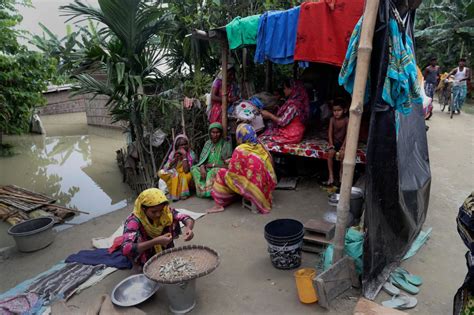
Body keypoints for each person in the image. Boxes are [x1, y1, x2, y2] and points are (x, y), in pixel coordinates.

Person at [110, 188, 194, 267]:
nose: (158, 214)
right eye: (153, 212)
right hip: (146, 251)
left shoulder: (166, 211)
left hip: (165, 245)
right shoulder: (133, 221)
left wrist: (188, 228)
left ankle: (164, 253)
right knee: (150, 265)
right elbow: (126, 248)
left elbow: (186, 218)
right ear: (143, 209)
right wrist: (155, 242)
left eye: (160, 210)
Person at [207, 124, 277, 214]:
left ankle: (219, 205)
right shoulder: (260, 146)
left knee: (221, 173)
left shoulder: (240, 149)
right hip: (265, 183)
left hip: (252, 185)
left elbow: (233, 170)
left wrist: (226, 163)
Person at [260, 79, 309, 144]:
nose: (284, 90)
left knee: (261, 139)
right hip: (296, 132)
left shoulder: (293, 105)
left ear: (292, 89)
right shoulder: (300, 102)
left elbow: (282, 122)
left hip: (291, 135)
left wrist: (269, 115)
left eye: (285, 88)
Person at [191, 122, 232, 198]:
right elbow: (202, 160)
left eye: (218, 132)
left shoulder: (225, 144)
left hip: (219, 168)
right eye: (213, 132)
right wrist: (202, 166)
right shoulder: (207, 143)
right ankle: (202, 190)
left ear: (221, 133)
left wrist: (213, 165)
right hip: (207, 167)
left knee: (213, 171)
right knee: (194, 169)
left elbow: (228, 165)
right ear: (210, 133)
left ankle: (210, 192)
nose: (215, 135)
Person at [158, 135, 196, 201]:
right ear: (177, 147)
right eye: (181, 145)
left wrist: (184, 156)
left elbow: (186, 170)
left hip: (186, 173)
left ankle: (183, 194)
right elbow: (166, 168)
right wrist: (175, 159)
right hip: (176, 172)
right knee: (162, 173)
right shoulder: (173, 154)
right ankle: (173, 194)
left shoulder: (191, 154)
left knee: (184, 177)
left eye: (185, 144)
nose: (183, 146)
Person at [325, 100, 349, 186]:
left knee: (343, 154)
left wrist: (343, 146)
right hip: (334, 142)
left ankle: (341, 173)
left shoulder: (346, 120)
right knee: (330, 154)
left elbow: (348, 134)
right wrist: (331, 144)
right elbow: (330, 133)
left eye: (339, 110)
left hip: (343, 143)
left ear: (344, 110)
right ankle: (331, 175)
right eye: (334, 111)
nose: (336, 113)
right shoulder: (332, 120)